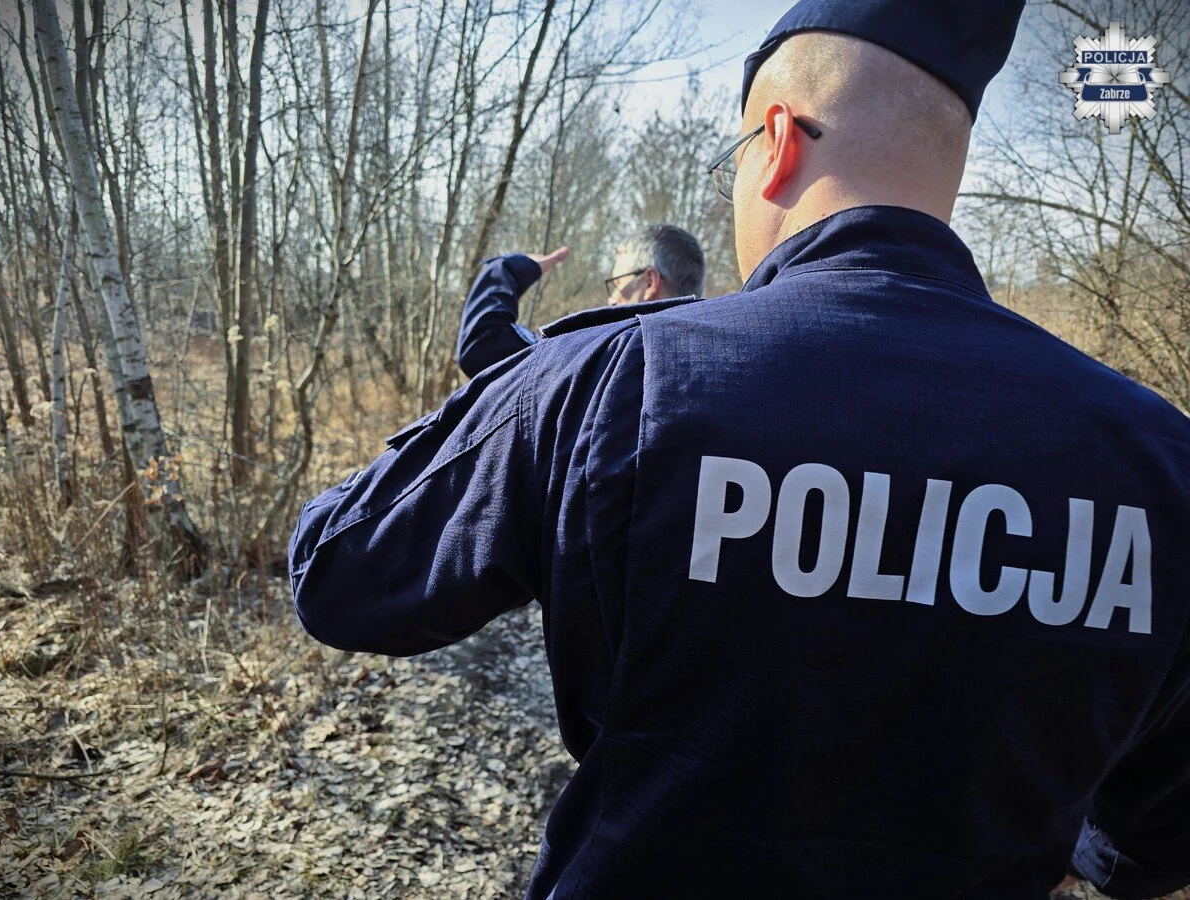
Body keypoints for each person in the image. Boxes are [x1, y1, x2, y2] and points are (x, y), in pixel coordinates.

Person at [288, 0, 1190, 896]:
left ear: (778, 140)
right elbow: (1155, 839)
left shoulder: (608, 383)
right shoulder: (1158, 463)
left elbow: (339, 577)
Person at [456, 223, 706, 378]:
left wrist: (509, 270)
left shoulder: (603, 362)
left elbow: (482, 346)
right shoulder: (715, 373)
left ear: (650, 281)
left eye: (617, 284)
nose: (611, 298)